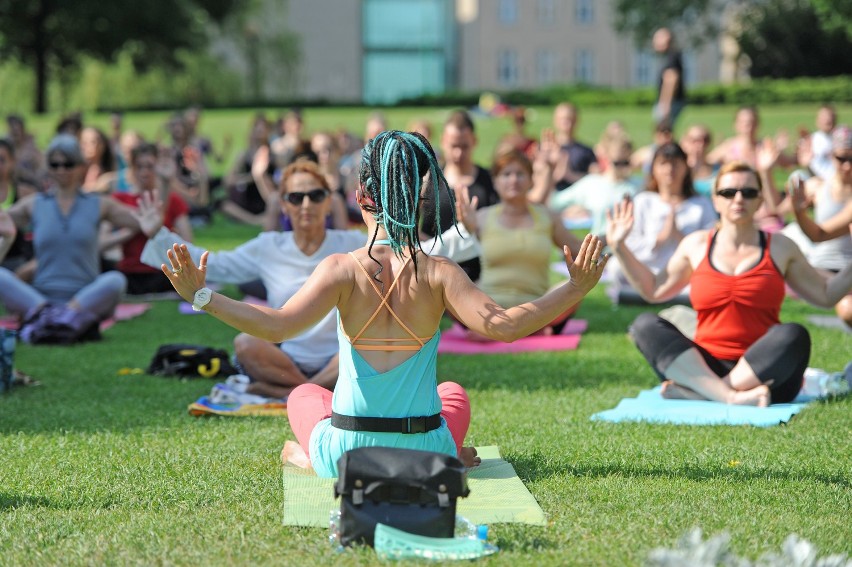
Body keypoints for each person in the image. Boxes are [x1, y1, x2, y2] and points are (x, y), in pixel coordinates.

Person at [156, 130, 608, 477]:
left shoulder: (340, 268)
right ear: (417, 198)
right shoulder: (440, 272)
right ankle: (448, 455)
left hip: (345, 456)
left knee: (305, 395)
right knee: (452, 394)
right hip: (427, 454)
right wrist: (574, 288)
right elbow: (505, 326)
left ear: (359, 199)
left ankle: (308, 458)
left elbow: (275, 327)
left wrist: (201, 295)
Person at [140, 158, 482, 402]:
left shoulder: (350, 243)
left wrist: (464, 231)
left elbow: (416, 251)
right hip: (287, 355)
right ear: (284, 205)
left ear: (328, 201)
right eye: (295, 197)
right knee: (245, 343)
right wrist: (158, 233)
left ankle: (295, 395)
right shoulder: (268, 246)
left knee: (359, 345)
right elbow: (209, 263)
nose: (306, 204)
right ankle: (308, 392)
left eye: (315, 196)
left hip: (342, 355)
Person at [607, 161, 852, 406]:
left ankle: (706, 392)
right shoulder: (696, 245)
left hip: (766, 372)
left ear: (759, 200)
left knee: (794, 334)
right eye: (728, 192)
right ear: (715, 200)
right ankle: (728, 396)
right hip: (704, 365)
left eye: (748, 192)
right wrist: (619, 246)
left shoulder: (780, 247)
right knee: (644, 325)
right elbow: (653, 289)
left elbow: (826, 295)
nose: (738, 199)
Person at [0, 135, 147, 330]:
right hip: (40, 297)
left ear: (80, 166)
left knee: (115, 280)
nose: (61, 169)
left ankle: (56, 315)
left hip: (85, 295)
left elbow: (144, 221)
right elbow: (4, 222)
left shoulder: (98, 203)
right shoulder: (35, 204)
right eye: (55, 164)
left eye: (68, 164)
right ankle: (56, 315)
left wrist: (161, 187)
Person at [463, 149, 583, 339]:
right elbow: (456, 257)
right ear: (495, 181)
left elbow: (576, 248)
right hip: (489, 306)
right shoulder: (481, 218)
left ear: (531, 180)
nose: (514, 180)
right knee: (454, 287)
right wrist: (466, 230)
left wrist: (610, 238)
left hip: (539, 307)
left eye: (520, 174)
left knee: (575, 287)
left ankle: (501, 330)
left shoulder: (547, 216)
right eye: (506, 174)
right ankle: (528, 330)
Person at [607, 142, 717, 305]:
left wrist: (679, 237)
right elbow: (631, 244)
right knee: (616, 266)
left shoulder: (701, 204)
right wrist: (660, 239)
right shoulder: (644, 201)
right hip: (647, 268)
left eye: (675, 164)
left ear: (685, 168)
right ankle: (647, 293)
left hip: (684, 274)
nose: (669, 170)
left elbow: (711, 246)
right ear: (653, 170)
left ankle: (651, 295)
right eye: (663, 164)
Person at [104, 143, 192, 295]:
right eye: (139, 166)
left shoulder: (172, 200)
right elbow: (100, 243)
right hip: (128, 273)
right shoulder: (119, 200)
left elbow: (188, 244)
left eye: (150, 166)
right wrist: (133, 229)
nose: (144, 172)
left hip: (162, 273)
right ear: (132, 168)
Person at [420, 110, 498, 281]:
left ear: (474, 142)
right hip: (434, 273)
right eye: (453, 146)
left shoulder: (490, 182)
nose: (458, 153)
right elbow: (415, 232)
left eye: (464, 146)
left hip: (479, 278)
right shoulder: (428, 180)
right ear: (442, 141)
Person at [788, 125, 852, 327]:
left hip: (847, 271)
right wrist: (798, 211)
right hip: (823, 269)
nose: (848, 166)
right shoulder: (818, 186)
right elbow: (818, 234)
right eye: (842, 158)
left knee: (847, 307)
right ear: (832, 157)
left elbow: (819, 233)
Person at [547, 134, 640, 239]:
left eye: (626, 162)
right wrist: (549, 170)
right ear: (607, 158)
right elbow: (553, 203)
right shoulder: (591, 184)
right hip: (601, 249)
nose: (622, 168)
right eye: (617, 163)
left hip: (631, 251)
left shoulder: (639, 184)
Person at [551, 102, 598, 190]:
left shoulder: (586, 151)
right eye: (563, 119)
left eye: (570, 119)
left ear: (576, 121)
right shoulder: (544, 150)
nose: (567, 123)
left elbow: (596, 178)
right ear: (555, 120)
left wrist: (571, 176)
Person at [652, 28, 687, 130]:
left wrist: (665, 103)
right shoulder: (670, 56)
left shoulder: (671, 56)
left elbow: (670, 80)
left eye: (656, 38)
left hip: (671, 102)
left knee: (663, 130)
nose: (654, 41)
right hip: (672, 101)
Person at [680, 124, 719, 197]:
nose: (701, 144)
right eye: (695, 140)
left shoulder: (718, 170)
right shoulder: (679, 170)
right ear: (684, 142)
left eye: (705, 140)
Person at [80, 126, 116, 192]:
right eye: (83, 142)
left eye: (92, 142)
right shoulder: (74, 169)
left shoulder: (106, 174)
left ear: (102, 145)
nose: (86, 146)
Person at [807, 104, 837, 181]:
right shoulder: (811, 140)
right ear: (817, 120)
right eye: (824, 117)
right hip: (817, 180)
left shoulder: (842, 139)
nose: (827, 120)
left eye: (830, 117)